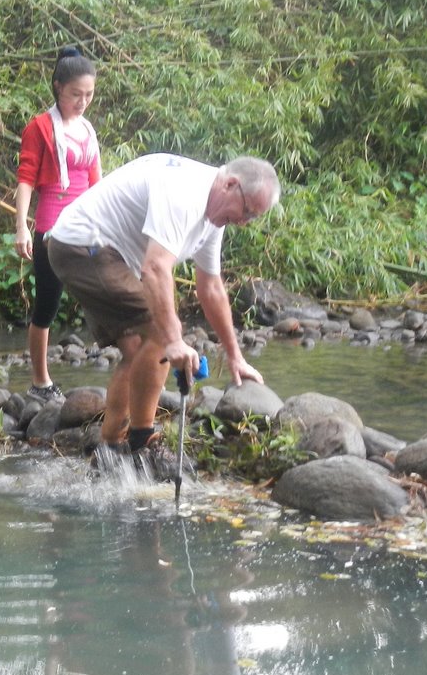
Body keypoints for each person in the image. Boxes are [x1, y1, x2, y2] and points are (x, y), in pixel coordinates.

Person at [45, 153, 279, 471]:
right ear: (230, 184)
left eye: (253, 217)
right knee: (159, 334)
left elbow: (211, 288)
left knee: (138, 350)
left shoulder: (214, 216)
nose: (244, 222)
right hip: (84, 246)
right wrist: (173, 341)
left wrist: (235, 356)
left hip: (105, 254)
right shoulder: (185, 191)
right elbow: (155, 268)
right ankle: (142, 442)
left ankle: (110, 451)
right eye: (247, 211)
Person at [14, 46, 102, 404]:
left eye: (89, 95)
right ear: (58, 88)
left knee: (107, 289)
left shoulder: (87, 130)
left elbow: (97, 183)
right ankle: (40, 380)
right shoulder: (39, 127)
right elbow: (26, 179)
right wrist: (21, 226)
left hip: (87, 223)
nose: (82, 102)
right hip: (52, 226)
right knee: (47, 304)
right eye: (75, 94)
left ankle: (125, 358)